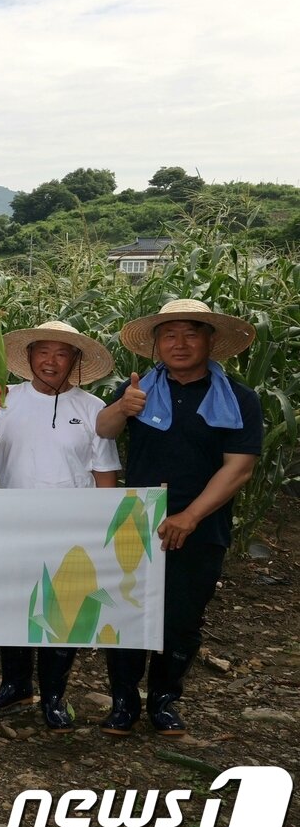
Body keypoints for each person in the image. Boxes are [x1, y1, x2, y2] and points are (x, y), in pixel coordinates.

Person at [95, 299, 261, 735]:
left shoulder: (239, 399)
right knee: (125, 612)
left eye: (191, 334)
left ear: (210, 341)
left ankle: (164, 702)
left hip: (203, 524)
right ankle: (124, 702)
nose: (180, 344)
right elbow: (103, 430)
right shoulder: (138, 389)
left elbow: (239, 467)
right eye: (170, 335)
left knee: (182, 617)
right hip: (135, 520)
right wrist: (121, 408)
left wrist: (191, 516)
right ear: (156, 345)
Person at [0, 321, 121, 732]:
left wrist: (102, 533)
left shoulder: (91, 408)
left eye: (61, 354)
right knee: (16, 604)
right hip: (13, 522)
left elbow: (105, 473)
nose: (51, 361)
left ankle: (53, 695)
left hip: (72, 528)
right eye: (43, 352)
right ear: (30, 356)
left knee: (66, 610)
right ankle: (15, 684)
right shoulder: (7, 400)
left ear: (74, 361)